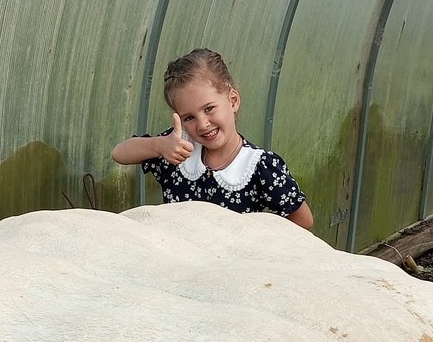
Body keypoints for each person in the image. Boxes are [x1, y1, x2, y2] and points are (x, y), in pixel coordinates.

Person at [111, 49, 314, 230]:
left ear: (233, 100)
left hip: (229, 268)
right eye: (189, 117)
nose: (202, 124)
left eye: (209, 109)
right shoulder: (179, 148)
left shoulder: (259, 167)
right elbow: (119, 153)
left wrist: (257, 242)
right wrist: (159, 145)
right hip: (177, 265)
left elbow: (303, 220)